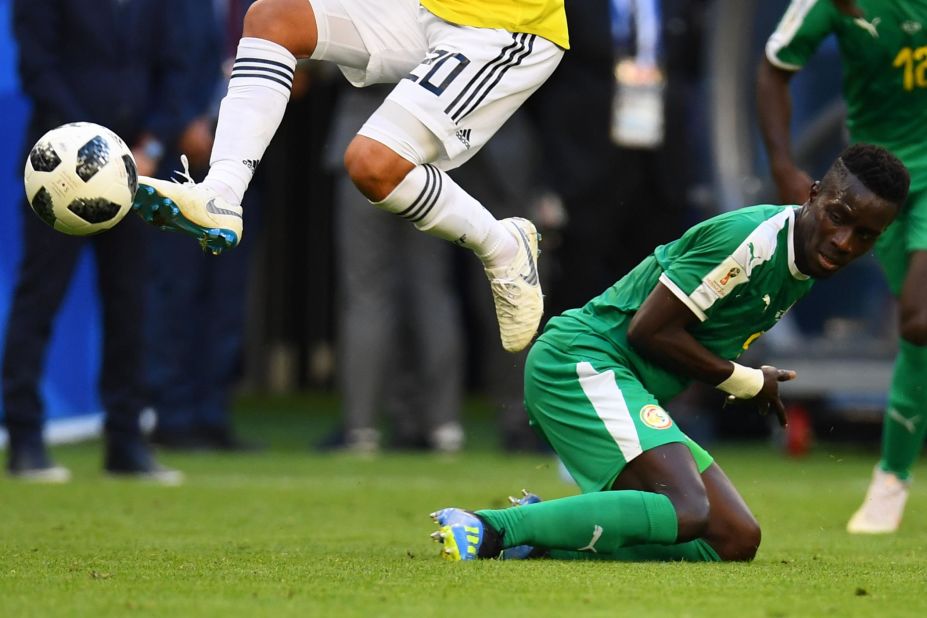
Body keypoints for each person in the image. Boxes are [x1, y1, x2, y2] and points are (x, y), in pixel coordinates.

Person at [430, 144, 908, 562]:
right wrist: (745, 380)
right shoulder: (751, 241)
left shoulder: (804, 263)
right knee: (687, 508)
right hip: (580, 362)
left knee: (735, 538)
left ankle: (544, 536)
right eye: (839, 216)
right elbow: (649, 332)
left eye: (865, 235)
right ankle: (490, 528)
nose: (844, 242)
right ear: (814, 193)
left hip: (623, 380)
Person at [131, 0, 568, 354]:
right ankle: (221, 193)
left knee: (372, 166)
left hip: (502, 22)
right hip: (423, 8)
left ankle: (502, 245)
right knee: (272, 17)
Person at [757, 0, 927, 534]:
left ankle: (891, 475)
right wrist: (784, 165)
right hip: (887, 187)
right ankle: (894, 474)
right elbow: (773, 69)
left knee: (919, 317)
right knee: (918, 330)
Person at [2, 0, 190, 482]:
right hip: (58, 176)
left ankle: (125, 444)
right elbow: (37, 68)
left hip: (134, 175)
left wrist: (148, 145)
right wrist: (90, 145)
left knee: (130, 306)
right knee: (38, 300)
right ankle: (25, 440)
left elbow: (176, 68)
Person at [145, 0, 261, 452]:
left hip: (247, 168)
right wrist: (182, 124)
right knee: (176, 290)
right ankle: (172, 416)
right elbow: (158, 62)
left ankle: (214, 415)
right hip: (182, 163)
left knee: (227, 297)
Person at [326, 83, 465, 454]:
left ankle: (362, 428)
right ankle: (444, 424)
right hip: (425, 150)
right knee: (432, 288)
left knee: (366, 293)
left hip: (363, 141)